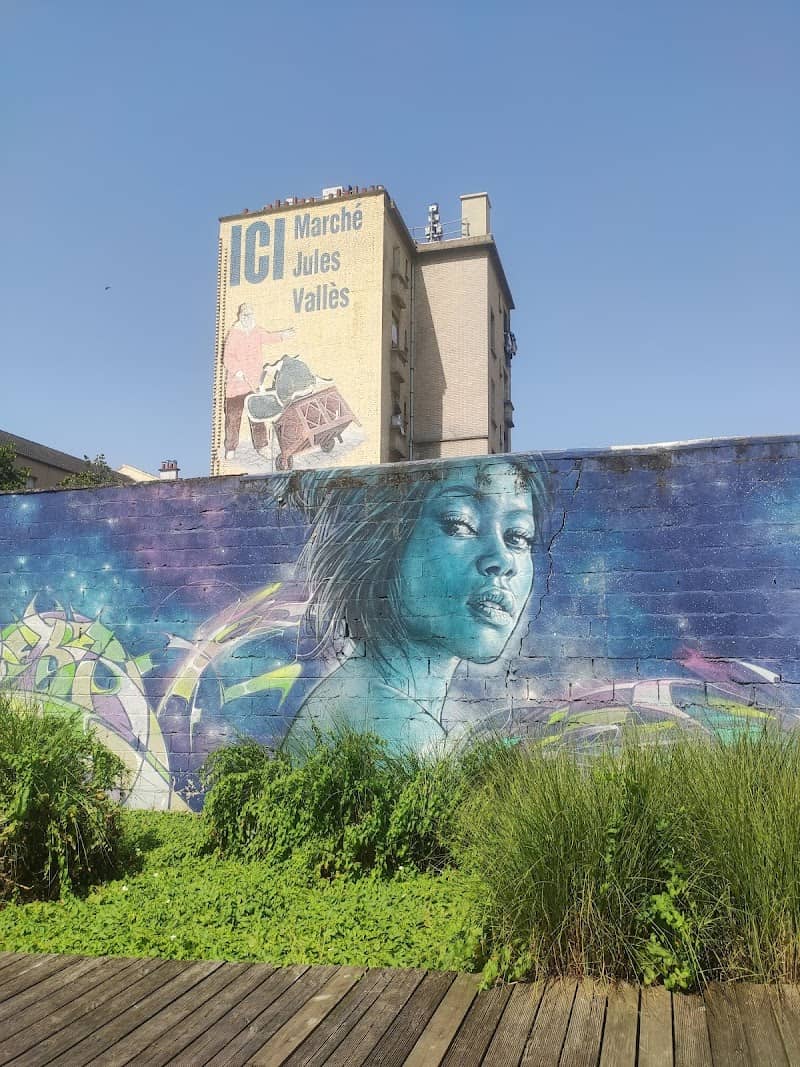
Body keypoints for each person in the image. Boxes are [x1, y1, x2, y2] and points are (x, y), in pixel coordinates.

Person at [276, 456, 550, 747]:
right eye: (460, 523)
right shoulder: (394, 727)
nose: (502, 560)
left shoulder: (366, 699)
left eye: (519, 537)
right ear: (385, 538)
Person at [222, 304, 295, 457]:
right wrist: (237, 370)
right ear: (240, 316)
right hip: (235, 386)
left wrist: (283, 335)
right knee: (233, 417)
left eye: (249, 315)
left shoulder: (257, 331)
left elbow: (269, 337)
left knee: (257, 414)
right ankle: (230, 448)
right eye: (244, 315)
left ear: (252, 316)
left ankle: (262, 446)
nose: (247, 318)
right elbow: (227, 357)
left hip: (253, 383)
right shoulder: (234, 334)